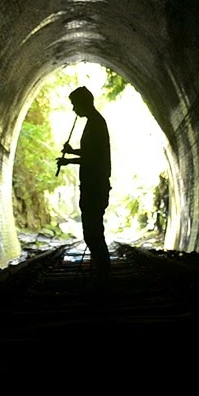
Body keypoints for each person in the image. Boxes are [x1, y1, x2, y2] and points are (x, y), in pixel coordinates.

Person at [55, 86, 112, 282]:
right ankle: (102, 272)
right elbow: (91, 152)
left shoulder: (96, 124)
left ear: (83, 103)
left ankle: (104, 274)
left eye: (74, 105)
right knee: (93, 231)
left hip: (94, 187)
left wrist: (68, 160)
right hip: (93, 186)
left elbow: (94, 158)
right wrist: (72, 152)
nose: (73, 109)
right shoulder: (94, 122)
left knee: (93, 232)